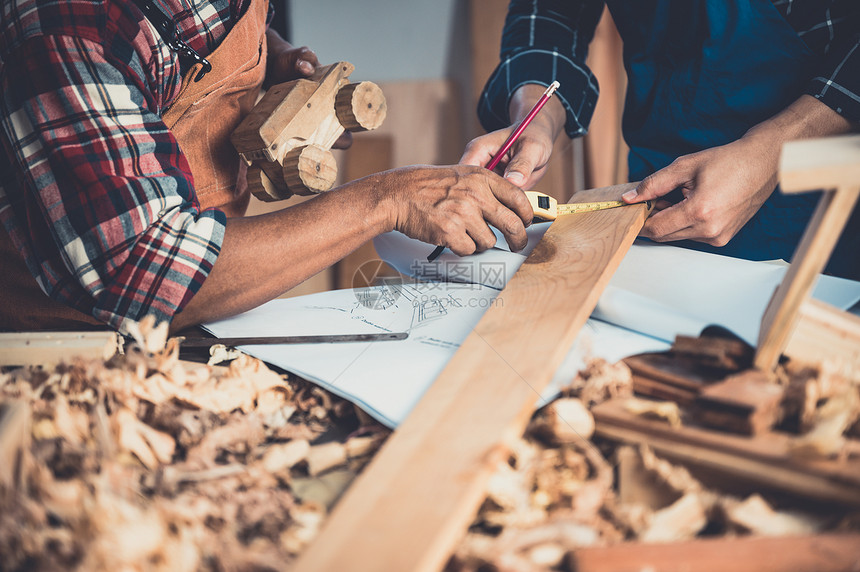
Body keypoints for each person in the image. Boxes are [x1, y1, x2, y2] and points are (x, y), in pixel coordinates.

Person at [0, 0, 533, 336]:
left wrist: (267, 61)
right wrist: (385, 199)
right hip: (69, 342)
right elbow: (146, 271)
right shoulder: (65, 24)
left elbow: (221, 24)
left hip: (200, 313)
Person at [462, 0, 860, 279]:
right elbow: (550, 10)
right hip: (662, 178)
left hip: (829, 180)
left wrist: (777, 150)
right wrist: (537, 111)